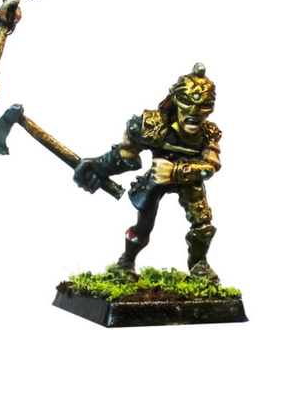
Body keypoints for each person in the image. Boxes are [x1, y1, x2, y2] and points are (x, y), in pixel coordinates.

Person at [74, 63, 221, 281]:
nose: (194, 114)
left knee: (203, 225)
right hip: (155, 178)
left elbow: (210, 166)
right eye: (187, 106)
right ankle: (126, 261)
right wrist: (99, 167)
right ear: (176, 102)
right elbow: (127, 154)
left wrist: (176, 172)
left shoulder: (208, 134)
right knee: (144, 225)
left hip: (189, 179)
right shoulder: (154, 125)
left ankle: (199, 266)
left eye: (202, 108)